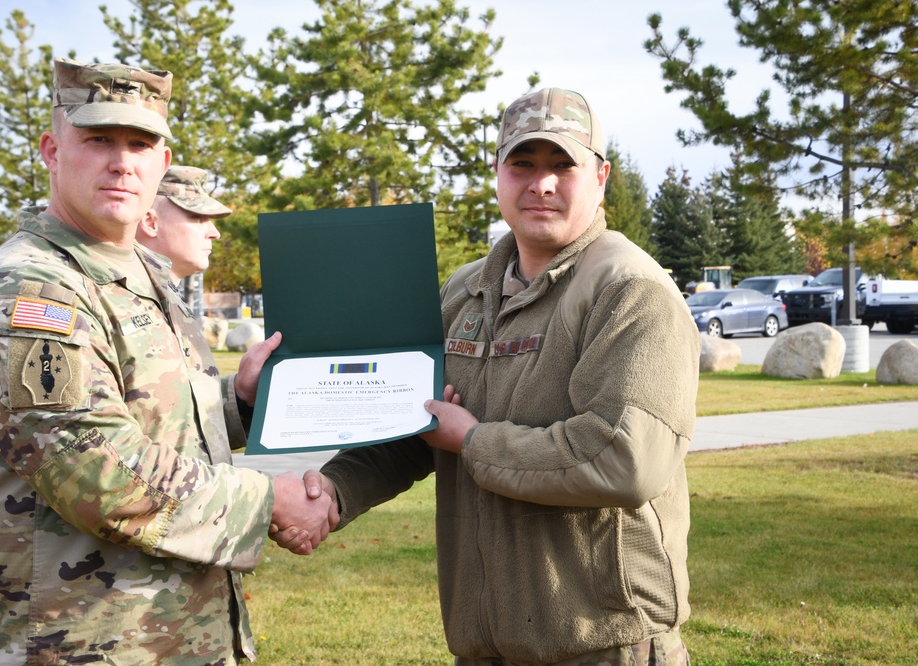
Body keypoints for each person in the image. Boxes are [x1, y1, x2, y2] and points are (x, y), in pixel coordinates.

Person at [285, 87, 701, 664]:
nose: (542, 183)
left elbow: (626, 460)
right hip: (486, 645)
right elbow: (415, 420)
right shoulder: (464, 291)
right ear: (499, 174)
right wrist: (334, 491)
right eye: (523, 164)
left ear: (600, 177)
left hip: (601, 644)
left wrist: (473, 441)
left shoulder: (630, 291)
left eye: (563, 165)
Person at [0, 57, 333, 665]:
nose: (122, 161)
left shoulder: (139, 275)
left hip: (169, 637)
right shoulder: (30, 289)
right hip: (74, 645)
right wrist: (265, 502)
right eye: (98, 139)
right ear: (51, 150)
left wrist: (238, 401)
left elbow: (153, 420)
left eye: (140, 143)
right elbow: (94, 469)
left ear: (163, 163)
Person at [137, 165, 229, 282]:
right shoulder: (120, 296)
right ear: (150, 223)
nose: (215, 234)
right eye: (197, 218)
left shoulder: (153, 294)